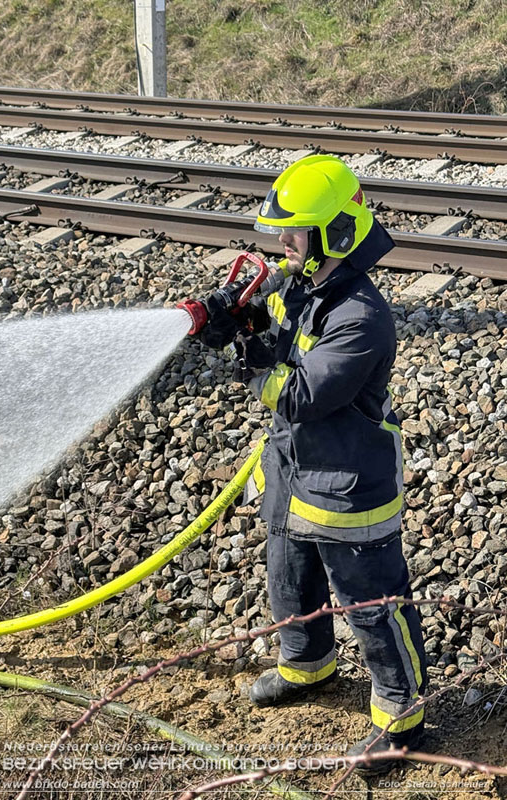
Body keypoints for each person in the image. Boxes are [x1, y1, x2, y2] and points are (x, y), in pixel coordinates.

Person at [201, 154, 427, 773]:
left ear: (335, 234)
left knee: (369, 601)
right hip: (295, 466)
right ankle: (307, 666)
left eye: (293, 232)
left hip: (348, 481)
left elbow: (300, 394)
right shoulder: (307, 283)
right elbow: (279, 334)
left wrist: (247, 356)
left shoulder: (361, 316)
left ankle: (402, 717)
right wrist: (240, 316)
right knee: (288, 570)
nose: (280, 244)